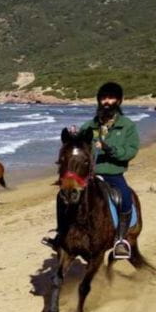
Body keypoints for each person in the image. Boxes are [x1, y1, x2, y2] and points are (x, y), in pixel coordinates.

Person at [44, 81, 139, 258]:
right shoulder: (90, 125)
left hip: (112, 174)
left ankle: (120, 240)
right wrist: (73, 138)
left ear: (118, 101)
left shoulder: (127, 126)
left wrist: (110, 149)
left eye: (111, 98)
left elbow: (131, 150)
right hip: (88, 176)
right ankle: (61, 234)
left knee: (125, 198)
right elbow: (78, 147)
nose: (107, 102)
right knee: (62, 196)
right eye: (103, 98)